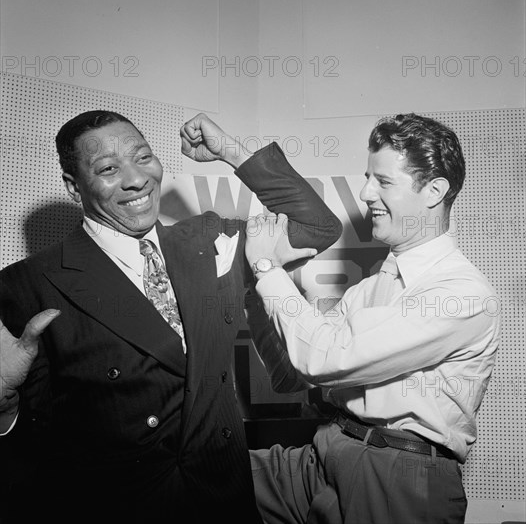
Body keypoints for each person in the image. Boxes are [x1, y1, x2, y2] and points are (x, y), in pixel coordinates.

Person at [0, 110, 342, 524]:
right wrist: (5, 402)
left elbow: (318, 226)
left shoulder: (211, 239)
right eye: (108, 168)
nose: (136, 179)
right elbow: (31, 449)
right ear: (75, 188)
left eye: (142, 157)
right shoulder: (27, 284)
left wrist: (230, 152)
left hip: (224, 498)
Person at [244, 113, 500, 524]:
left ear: (434, 191)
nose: (365, 193)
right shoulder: (371, 287)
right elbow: (300, 373)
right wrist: (270, 277)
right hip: (328, 449)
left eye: (383, 181)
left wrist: (265, 267)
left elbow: (325, 359)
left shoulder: (462, 294)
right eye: (368, 177)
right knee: (209, 474)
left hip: (396, 475)